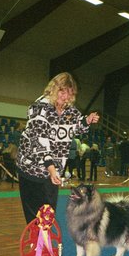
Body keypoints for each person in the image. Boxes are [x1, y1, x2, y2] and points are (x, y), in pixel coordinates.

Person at [16, 72, 99, 223]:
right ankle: (38, 244)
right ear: (53, 89)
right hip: (32, 168)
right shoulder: (40, 107)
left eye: (69, 93)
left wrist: (87, 121)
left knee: (48, 212)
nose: (65, 97)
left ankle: (44, 243)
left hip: (53, 169)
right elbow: (40, 141)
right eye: (62, 91)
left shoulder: (70, 110)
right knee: (35, 215)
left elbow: (77, 125)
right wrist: (51, 168)